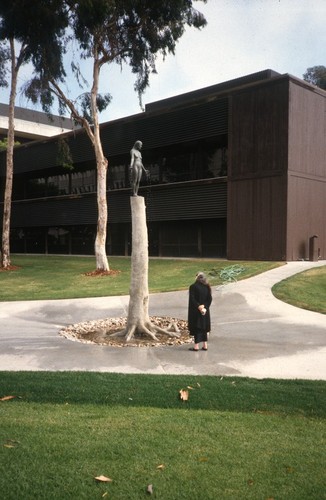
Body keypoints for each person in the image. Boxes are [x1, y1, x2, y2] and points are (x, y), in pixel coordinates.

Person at [188, 271, 212, 351]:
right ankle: (205, 345)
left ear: (196, 278)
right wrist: (204, 306)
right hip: (205, 310)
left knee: (197, 327)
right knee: (204, 327)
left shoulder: (193, 286)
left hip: (196, 311)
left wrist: (198, 306)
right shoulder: (207, 286)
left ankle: (196, 346)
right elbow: (209, 298)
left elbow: (192, 299)